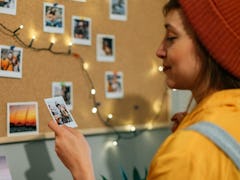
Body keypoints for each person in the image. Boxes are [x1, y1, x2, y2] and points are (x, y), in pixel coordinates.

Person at [48, 0, 240, 179]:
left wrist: (81, 169)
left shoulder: (189, 153)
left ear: (211, 45)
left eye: (171, 37)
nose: (159, 50)